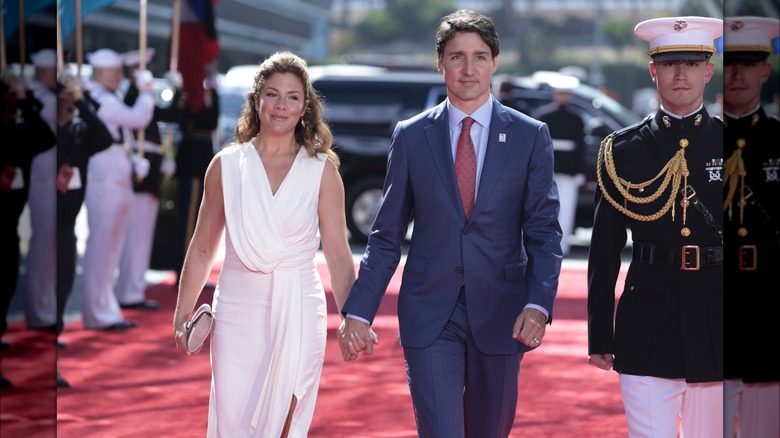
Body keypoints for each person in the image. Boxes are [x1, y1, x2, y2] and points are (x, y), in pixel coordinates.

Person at [339, 9, 562, 437]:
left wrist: (538, 305)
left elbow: (544, 232)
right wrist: (359, 311)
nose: (468, 68)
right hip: (429, 310)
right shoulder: (410, 135)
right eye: (456, 56)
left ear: (495, 62)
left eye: (479, 56)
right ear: (439, 63)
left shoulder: (530, 135)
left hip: (503, 310)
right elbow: (385, 236)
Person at [172, 51, 362, 437]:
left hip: (300, 306)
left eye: (292, 96)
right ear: (256, 99)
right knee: (234, 419)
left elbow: (339, 254)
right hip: (238, 307)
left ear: (305, 106)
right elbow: (204, 246)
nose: (281, 105)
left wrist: (353, 317)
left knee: (285, 421)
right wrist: (181, 316)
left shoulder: (321, 170)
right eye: (272, 94)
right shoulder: (226, 165)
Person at [587, 16, 724, 437]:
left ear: (708, 70)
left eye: (691, 62)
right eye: (668, 64)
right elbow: (604, 252)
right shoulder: (622, 151)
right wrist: (600, 336)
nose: (680, 73)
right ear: (653, 70)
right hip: (647, 321)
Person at [721, 15, 780, 438]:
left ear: (766, 69)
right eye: (728, 63)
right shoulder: (695, 139)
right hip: (713, 302)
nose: (736, 73)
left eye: (748, 62)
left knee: (765, 424)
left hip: (768, 304)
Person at [79, 48, 154, 330]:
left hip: (116, 172)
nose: (120, 77)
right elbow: (138, 119)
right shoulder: (100, 99)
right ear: (101, 74)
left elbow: (120, 136)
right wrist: (147, 89)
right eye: (116, 73)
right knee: (102, 246)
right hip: (105, 177)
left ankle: (105, 308)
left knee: (112, 249)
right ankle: (97, 312)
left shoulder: (108, 97)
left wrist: (132, 160)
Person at [55, 74, 115, 388]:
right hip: (42, 225)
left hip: (64, 228)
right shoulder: (40, 128)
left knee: (60, 291)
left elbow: (104, 137)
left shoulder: (79, 131)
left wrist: (81, 101)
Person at [114, 49, 183, 310]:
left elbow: (169, 116)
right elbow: (139, 123)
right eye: (143, 69)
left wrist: (177, 93)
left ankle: (132, 288)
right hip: (140, 170)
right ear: (133, 72)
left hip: (150, 167)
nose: (149, 73)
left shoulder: (142, 96)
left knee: (142, 234)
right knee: (135, 234)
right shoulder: (133, 96)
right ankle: (129, 291)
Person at [0, 75, 57, 388]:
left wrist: (23, 101)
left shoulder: (18, 133)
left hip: (9, 226)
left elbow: (46, 137)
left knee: (7, 285)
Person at [173, 61, 220, 282]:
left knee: (202, 218)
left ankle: (195, 268)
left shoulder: (210, 95)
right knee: (188, 216)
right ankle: (183, 267)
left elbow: (211, 121)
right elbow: (187, 122)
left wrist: (214, 92)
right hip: (192, 159)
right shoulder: (190, 95)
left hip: (201, 159)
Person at [23, 48, 58, 331]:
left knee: (49, 248)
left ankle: (44, 308)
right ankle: (38, 310)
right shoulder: (40, 99)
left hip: (49, 178)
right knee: (42, 247)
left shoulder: (38, 97)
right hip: (42, 180)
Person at [533, 74, 587, 255]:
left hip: (567, 169)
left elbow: (580, 146)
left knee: (566, 208)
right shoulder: (544, 114)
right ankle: (548, 242)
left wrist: (579, 171)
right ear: (554, 94)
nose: (563, 97)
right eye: (560, 93)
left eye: (566, 93)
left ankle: (561, 244)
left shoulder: (573, 117)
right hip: (550, 168)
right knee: (547, 207)